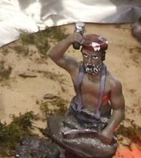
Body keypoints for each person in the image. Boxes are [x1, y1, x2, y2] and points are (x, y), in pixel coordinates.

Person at [48, 26, 124, 154]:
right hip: (76, 117)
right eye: (85, 56)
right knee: (61, 136)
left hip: (99, 123)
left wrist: (109, 130)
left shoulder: (112, 83)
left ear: (101, 57)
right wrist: (68, 40)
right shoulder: (75, 69)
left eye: (94, 57)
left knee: (105, 149)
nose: (89, 61)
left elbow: (119, 110)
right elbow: (54, 55)